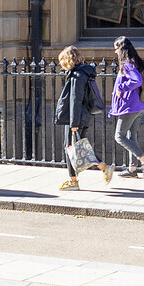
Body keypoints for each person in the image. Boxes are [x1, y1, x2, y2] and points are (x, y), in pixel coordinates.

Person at [53, 45, 109, 191]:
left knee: (70, 148)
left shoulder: (76, 76)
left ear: (68, 60)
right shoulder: (85, 72)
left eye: (62, 61)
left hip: (76, 117)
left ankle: (73, 181)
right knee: (81, 147)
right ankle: (103, 166)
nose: (61, 64)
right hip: (85, 115)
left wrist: (74, 123)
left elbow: (75, 100)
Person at [108, 36, 144, 178]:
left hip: (130, 106)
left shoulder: (127, 63)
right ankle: (132, 169)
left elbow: (137, 80)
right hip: (139, 105)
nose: (115, 51)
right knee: (131, 135)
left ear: (122, 49)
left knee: (119, 136)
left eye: (116, 48)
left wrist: (121, 88)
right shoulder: (135, 62)